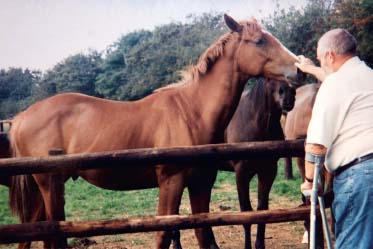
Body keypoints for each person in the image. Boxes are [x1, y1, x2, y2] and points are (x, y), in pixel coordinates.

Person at [295, 28, 373, 248]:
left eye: (320, 59)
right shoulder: (368, 76)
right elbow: (336, 80)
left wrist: (311, 181)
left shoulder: (334, 85)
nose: (321, 65)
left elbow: (317, 145)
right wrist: (310, 68)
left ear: (330, 55)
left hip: (360, 178)